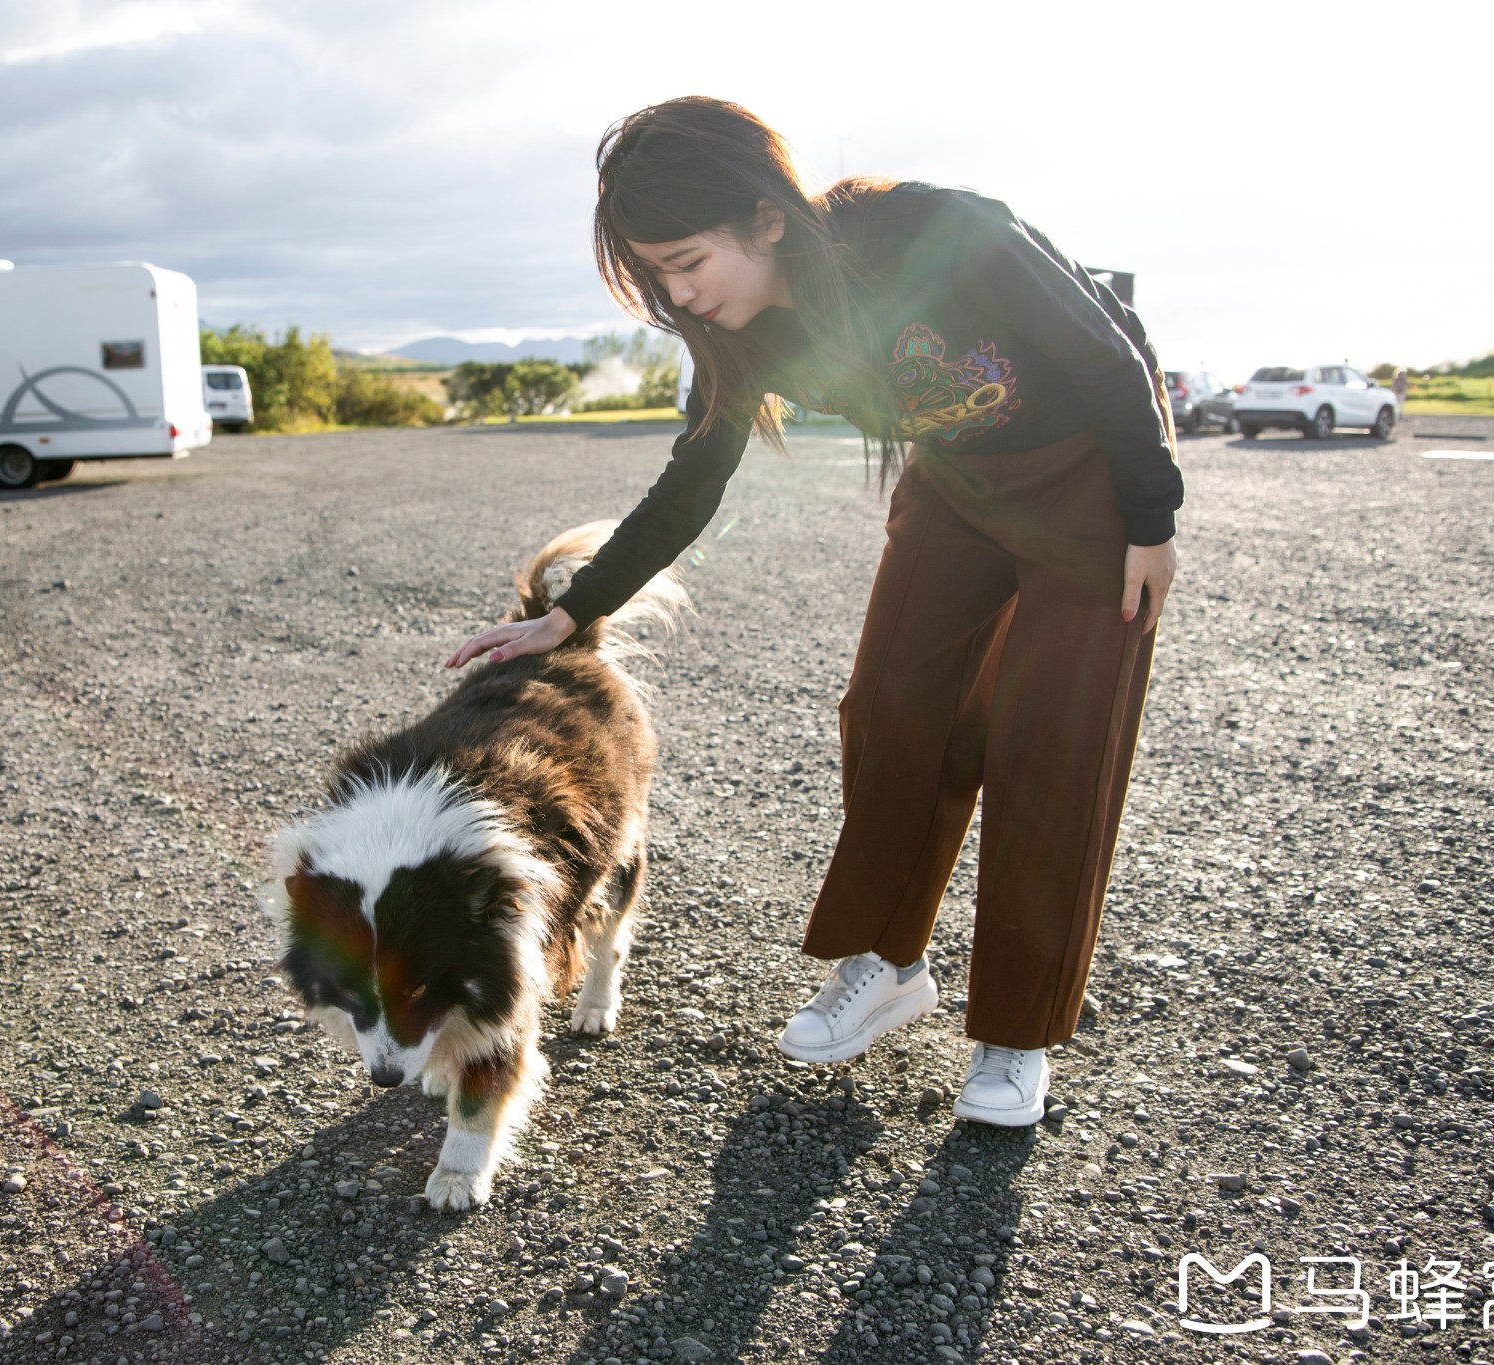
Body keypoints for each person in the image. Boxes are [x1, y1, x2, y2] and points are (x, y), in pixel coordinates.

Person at [445, 97, 1181, 1127]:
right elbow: (690, 480)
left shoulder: (932, 228)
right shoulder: (743, 331)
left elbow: (1105, 350)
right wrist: (569, 616)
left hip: (1090, 484)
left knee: (1049, 747)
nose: (679, 294)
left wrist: (1149, 515)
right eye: (656, 278)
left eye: (686, 262)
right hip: (957, 484)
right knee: (888, 707)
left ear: (766, 218)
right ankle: (889, 961)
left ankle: (1013, 1038)